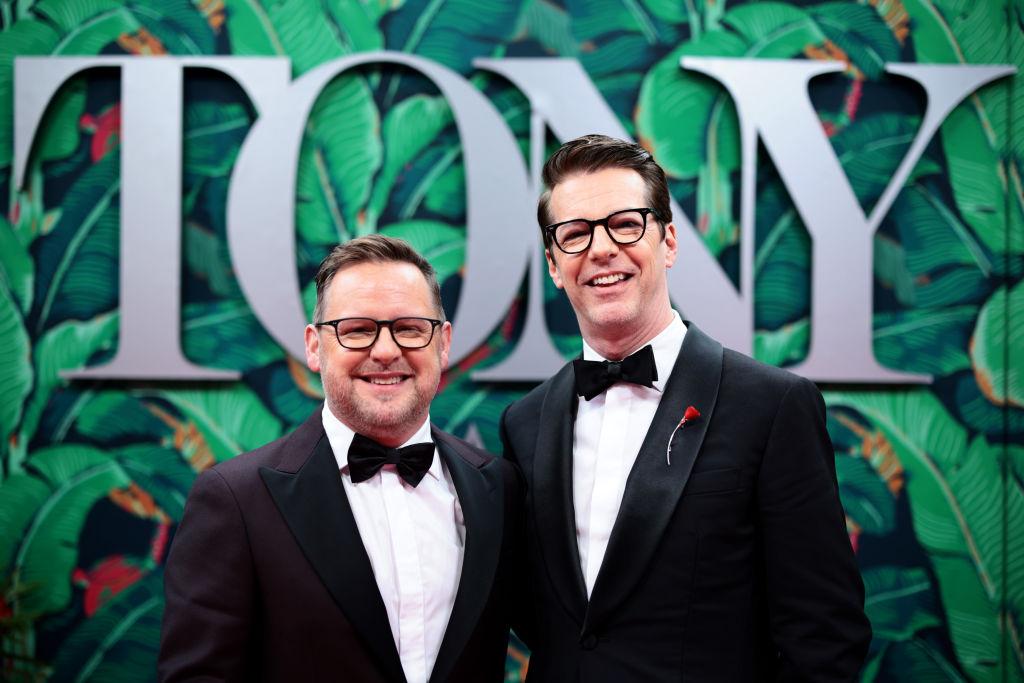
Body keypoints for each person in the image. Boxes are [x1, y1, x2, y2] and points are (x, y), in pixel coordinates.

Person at [500, 135, 871, 681]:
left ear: (669, 241)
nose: (601, 249)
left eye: (625, 224)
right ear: (554, 265)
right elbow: (545, 621)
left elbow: (824, 636)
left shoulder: (772, 407)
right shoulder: (524, 422)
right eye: (575, 234)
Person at [160, 235, 521, 683]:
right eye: (357, 330)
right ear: (314, 347)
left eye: (409, 328)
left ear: (443, 343)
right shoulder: (236, 501)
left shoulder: (498, 488)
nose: (386, 351)